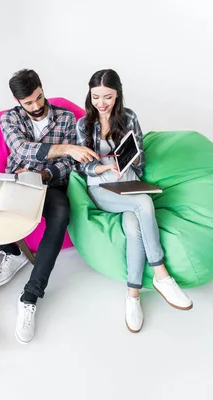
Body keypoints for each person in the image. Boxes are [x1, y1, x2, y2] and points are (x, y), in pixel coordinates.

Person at [75, 69, 193, 333]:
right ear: (89, 94)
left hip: (128, 182)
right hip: (102, 187)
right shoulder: (82, 124)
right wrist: (104, 168)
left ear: (118, 95)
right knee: (144, 204)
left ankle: (132, 296)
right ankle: (161, 274)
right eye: (96, 97)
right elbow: (83, 167)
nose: (102, 103)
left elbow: (140, 156)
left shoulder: (129, 117)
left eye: (108, 97)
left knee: (132, 228)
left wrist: (130, 157)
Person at [0, 69, 100, 344]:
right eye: (28, 103)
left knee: (61, 213)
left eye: (39, 97)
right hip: (18, 179)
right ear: (18, 102)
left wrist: (46, 173)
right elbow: (22, 150)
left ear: (43, 89)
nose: (37, 106)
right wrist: (66, 148)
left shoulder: (66, 118)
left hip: (50, 183)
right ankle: (12, 253)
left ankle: (30, 295)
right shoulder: (9, 118)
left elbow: (71, 165)